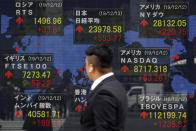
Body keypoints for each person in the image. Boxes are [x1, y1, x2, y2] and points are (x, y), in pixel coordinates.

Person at [80, 44, 128, 131]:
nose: (85, 69)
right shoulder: (116, 86)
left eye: (86, 65)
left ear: (91, 67)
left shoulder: (104, 94)